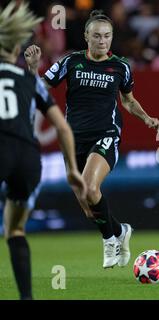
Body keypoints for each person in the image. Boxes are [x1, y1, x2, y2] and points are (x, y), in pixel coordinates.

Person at [24, 10, 159, 269]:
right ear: (86, 36)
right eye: (97, 36)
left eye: (107, 36)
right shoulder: (71, 62)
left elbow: (128, 101)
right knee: (89, 208)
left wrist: (146, 118)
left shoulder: (120, 67)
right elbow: (40, 89)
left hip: (106, 133)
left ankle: (109, 239)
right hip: (73, 139)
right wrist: (32, 68)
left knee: (89, 186)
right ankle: (120, 231)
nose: (102, 41)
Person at [0, 1, 87, 299]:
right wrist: (73, 171)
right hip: (27, 157)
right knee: (15, 230)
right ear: (16, 47)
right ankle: (27, 297)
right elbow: (62, 127)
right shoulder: (28, 79)